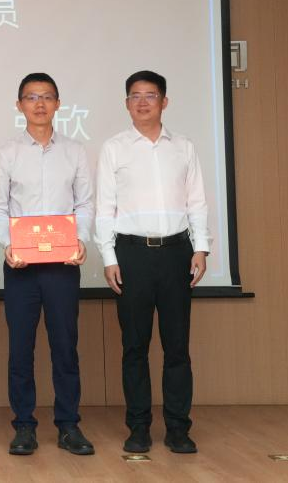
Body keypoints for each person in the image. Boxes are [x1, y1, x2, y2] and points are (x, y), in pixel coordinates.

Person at [95, 70, 210, 455]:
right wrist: (109, 257)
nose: (142, 102)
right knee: (134, 346)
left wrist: (201, 247)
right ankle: (139, 427)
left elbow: (197, 202)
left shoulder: (184, 147)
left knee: (177, 347)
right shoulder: (114, 148)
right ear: (126, 103)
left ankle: (178, 428)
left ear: (165, 101)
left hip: (177, 252)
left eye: (150, 95)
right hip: (132, 254)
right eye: (135, 96)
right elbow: (105, 208)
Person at [0, 73, 95, 456]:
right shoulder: (8, 152)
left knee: (65, 347)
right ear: (19, 105)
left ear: (58, 104)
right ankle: (24, 426)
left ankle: (68, 425)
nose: (39, 104)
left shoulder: (75, 151)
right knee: (21, 349)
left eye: (47, 97)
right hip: (21, 266)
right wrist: (8, 243)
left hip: (62, 264)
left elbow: (85, 203)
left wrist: (80, 239)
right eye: (31, 97)